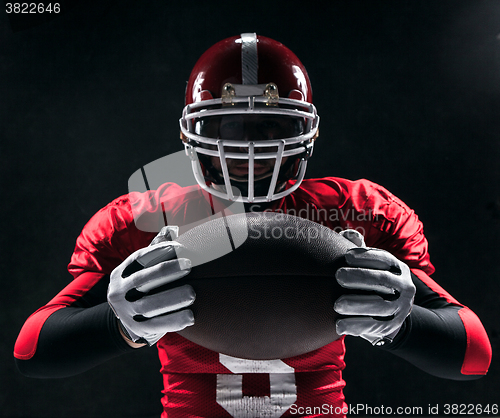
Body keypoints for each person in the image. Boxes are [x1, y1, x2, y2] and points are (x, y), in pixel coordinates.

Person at [14, 33, 492, 418]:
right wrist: (117, 322)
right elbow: (34, 350)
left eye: (269, 128)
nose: (248, 147)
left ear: (305, 133)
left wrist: (400, 323)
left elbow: (473, 353)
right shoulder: (146, 216)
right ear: (192, 135)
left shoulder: (357, 211)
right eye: (229, 127)